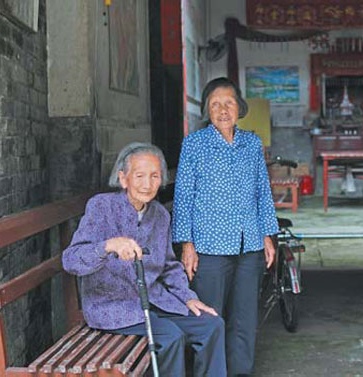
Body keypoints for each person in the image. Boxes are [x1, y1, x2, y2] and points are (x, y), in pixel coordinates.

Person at [62, 142, 226, 377]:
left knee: (212, 325)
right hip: (113, 306)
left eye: (155, 176)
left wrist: (188, 298)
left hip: (155, 301)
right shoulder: (101, 206)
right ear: (123, 179)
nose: (147, 184)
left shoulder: (159, 214)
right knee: (171, 337)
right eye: (139, 175)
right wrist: (107, 246)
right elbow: (71, 260)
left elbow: (169, 266)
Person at [172, 77, 279, 376]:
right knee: (210, 317)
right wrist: (187, 245)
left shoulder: (251, 143)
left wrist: (268, 236)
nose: (222, 109)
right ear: (207, 109)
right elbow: (183, 196)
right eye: (215, 104)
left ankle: (240, 371)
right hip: (209, 246)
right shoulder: (194, 144)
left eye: (228, 103)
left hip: (250, 244)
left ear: (239, 107)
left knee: (244, 316)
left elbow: (262, 191)